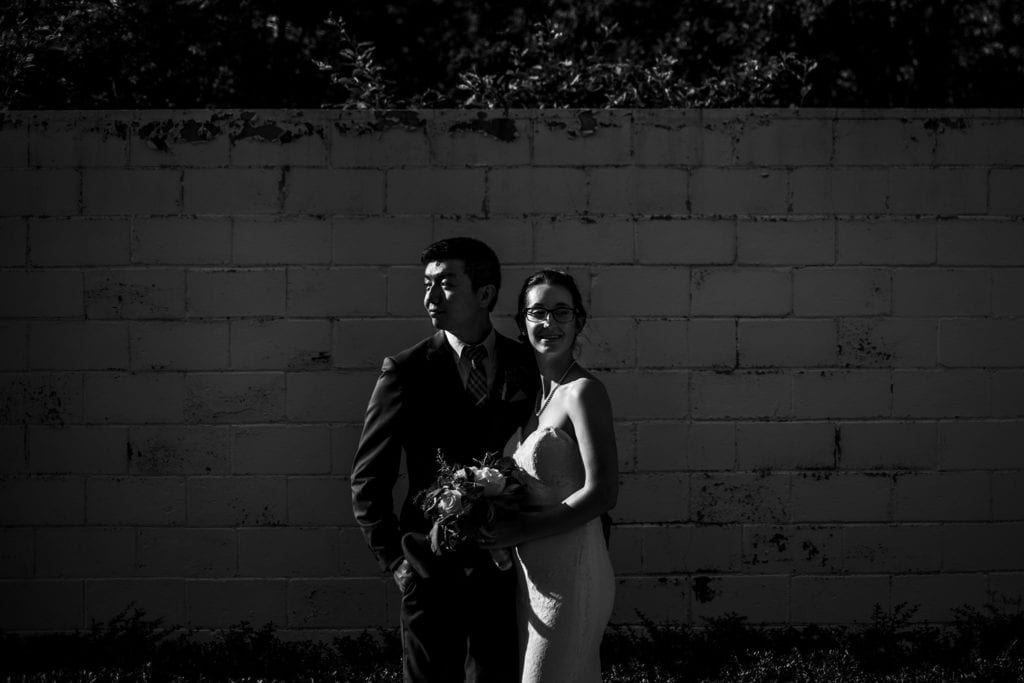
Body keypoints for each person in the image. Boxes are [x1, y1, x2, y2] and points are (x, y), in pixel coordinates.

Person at [350, 237, 538, 683]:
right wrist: (396, 561)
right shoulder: (406, 369)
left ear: (486, 294)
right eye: (427, 284)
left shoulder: (525, 362)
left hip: (506, 569)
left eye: (446, 284)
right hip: (428, 569)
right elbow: (368, 478)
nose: (430, 298)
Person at [484, 269, 618, 683]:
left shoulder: (582, 392)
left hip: (574, 571)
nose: (550, 323)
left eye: (562, 312)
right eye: (538, 312)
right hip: (534, 575)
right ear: (522, 323)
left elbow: (602, 493)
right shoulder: (531, 396)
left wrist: (521, 528)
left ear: (579, 320)